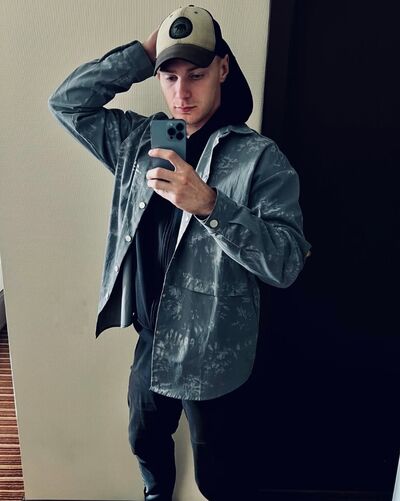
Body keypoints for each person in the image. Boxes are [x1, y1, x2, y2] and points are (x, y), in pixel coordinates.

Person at [48, 5, 311, 501]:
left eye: (196, 74)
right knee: (143, 438)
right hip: (152, 338)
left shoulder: (259, 158)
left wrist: (210, 205)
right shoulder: (140, 143)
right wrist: (148, 51)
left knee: (218, 474)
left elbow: (287, 262)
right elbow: (68, 104)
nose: (182, 93)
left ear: (223, 69)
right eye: (170, 76)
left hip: (216, 350)